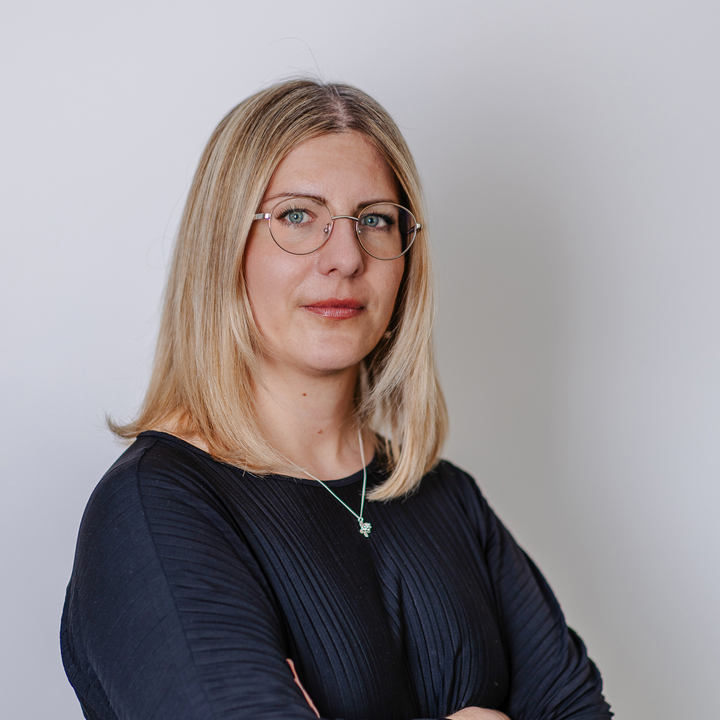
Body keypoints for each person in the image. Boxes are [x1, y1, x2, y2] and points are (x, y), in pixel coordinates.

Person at [60, 79, 612, 720]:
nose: (346, 258)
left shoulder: (448, 498)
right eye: (298, 216)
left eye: (374, 220)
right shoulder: (153, 507)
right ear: (224, 246)